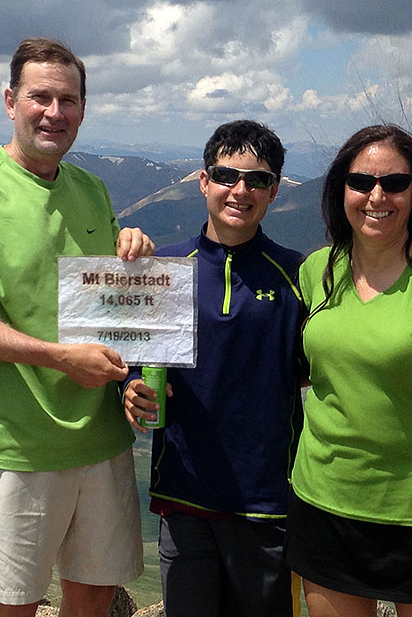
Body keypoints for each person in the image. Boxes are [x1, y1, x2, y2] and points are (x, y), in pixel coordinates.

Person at [0, 37, 154, 617]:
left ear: (83, 110)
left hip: (100, 437)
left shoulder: (91, 190)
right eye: (40, 96)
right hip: (14, 442)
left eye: (68, 100)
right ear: (10, 101)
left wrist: (132, 249)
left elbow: (109, 310)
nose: (54, 112)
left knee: (96, 592)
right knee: (14, 602)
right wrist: (61, 358)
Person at [284, 125, 412, 617]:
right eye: (361, 182)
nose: (376, 195)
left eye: (395, 183)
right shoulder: (317, 271)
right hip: (323, 504)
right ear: (341, 191)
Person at [123, 120, 305, 616]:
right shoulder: (163, 268)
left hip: (267, 501)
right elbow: (129, 360)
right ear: (204, 182)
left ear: (274, 192)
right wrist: (131, 384)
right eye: (227, 175)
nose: (240, 190)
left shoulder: (300, 274)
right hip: (183, 496)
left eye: (258, 180)